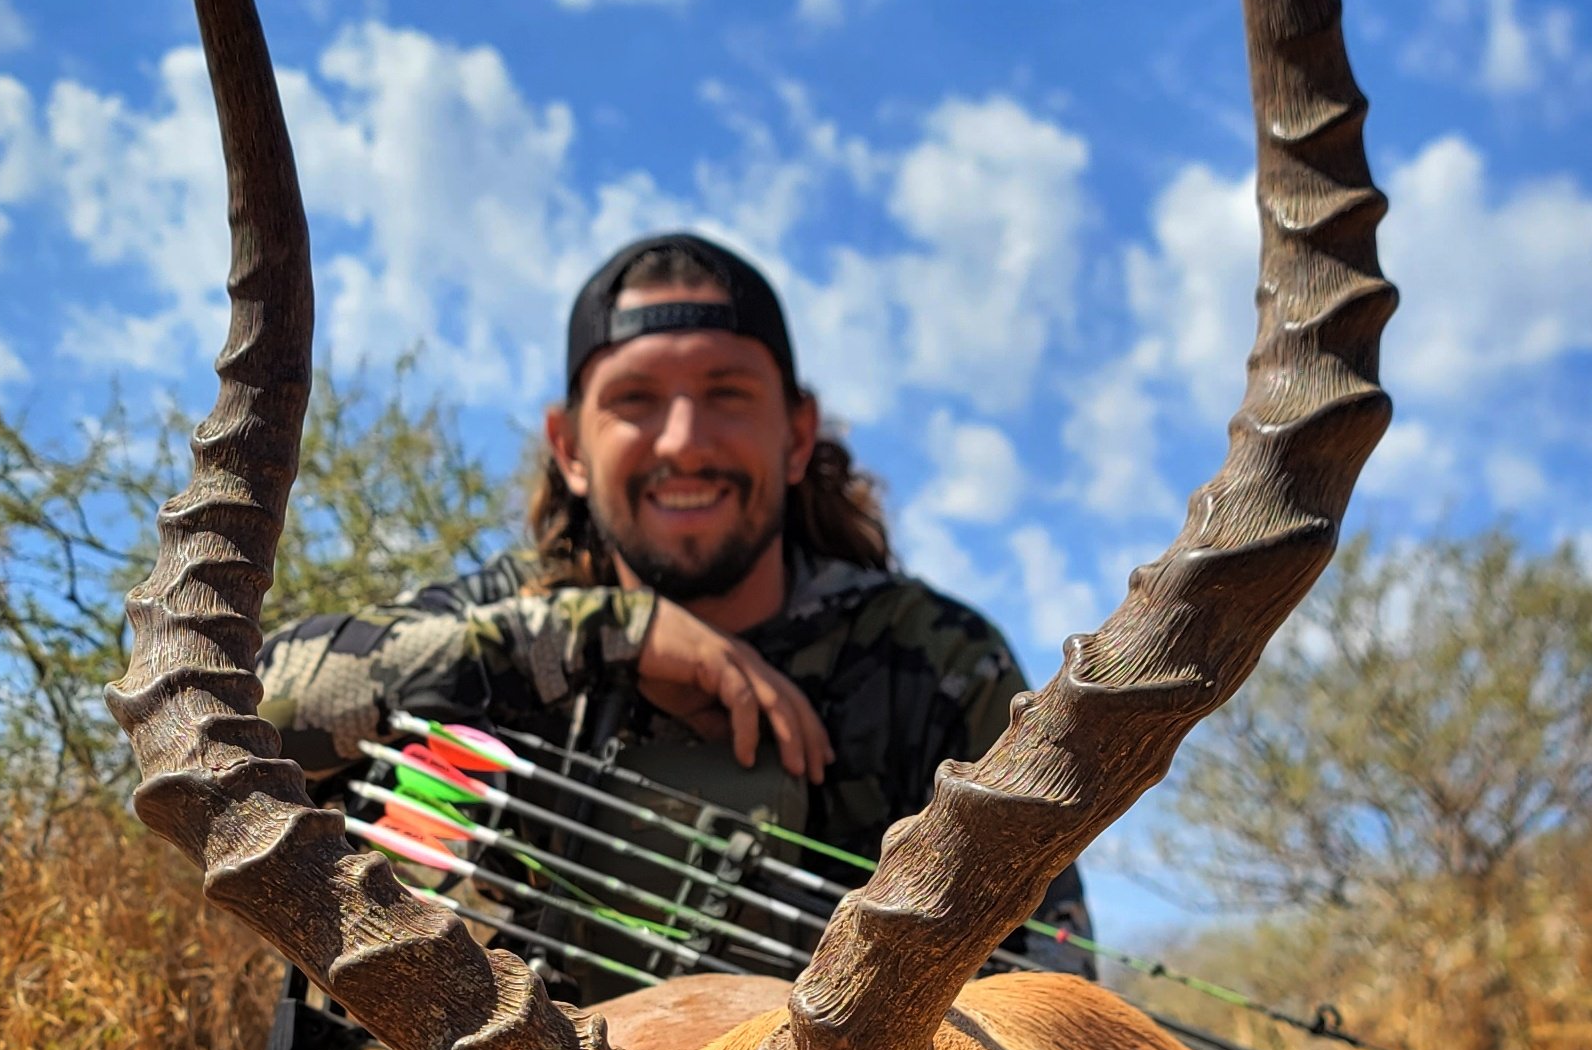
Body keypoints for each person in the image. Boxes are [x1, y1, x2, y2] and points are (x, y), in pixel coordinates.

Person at [257, 231, 1093, 996]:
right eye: (636, 400)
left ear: (797, 435)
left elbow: (1053, 981)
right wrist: (609, 633)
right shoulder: (511, 613)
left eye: (727, 393)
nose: (684, 441)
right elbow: (243, 703)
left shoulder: (939, 659)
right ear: (569, 446)